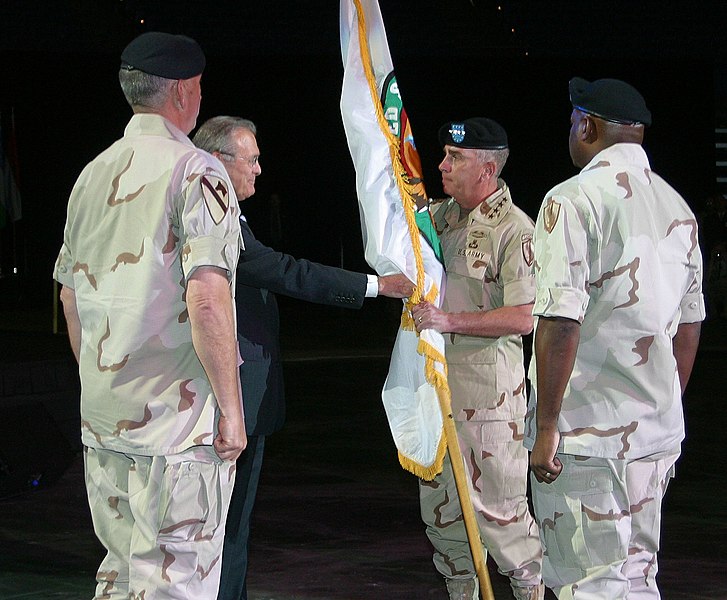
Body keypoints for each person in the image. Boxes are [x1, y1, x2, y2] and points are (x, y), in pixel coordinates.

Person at [53, 32, 246, 599]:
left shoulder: (91, 175)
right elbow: (208, 297)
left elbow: (69, 297)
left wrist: (104, 380)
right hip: (176, 426)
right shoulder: (197, 171)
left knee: (119, 575)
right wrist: (231, 411)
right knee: (177, 582)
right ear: (184, 92)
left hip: (107, 419)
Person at [192, 115, 415, 600]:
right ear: (218, 161)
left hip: (245, 397)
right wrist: (374, 286)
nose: (258, 169)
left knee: (233, 526)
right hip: (223, 403)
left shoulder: (230, 213)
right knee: (218, 528)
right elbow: (281, 271)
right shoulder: (213, 218)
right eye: (250, 159)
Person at [525, 77, 705, 598]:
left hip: (586, 438)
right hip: (654, 435)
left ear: (588, 126)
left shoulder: (572, 200)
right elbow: (689, 327)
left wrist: (547, 428)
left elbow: (561, 321)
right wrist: (661, 410)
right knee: (638, 578)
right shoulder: (678, 207)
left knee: (588, 583)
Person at [411, 117, 544, 600]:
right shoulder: (437, 220)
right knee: (445, 517)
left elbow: (526, 315)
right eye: (445, 154)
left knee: (501, 516)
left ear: (488, 169)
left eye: (456, 158)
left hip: (489, 402)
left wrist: (450, 322)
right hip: (437, 394)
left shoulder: (515, 229)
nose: (442, 165)